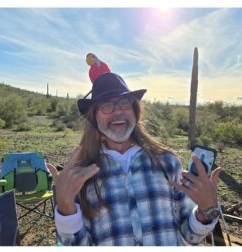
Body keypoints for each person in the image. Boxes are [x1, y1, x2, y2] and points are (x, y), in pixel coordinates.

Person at [49, 58, 221, 246]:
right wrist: (65, 208)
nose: (117, 112)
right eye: (106, 106)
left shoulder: (167, 162)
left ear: (134, 111)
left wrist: (205, 211)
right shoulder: (80, 176)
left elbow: (191, 235)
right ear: (94, 117)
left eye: (124, 103)